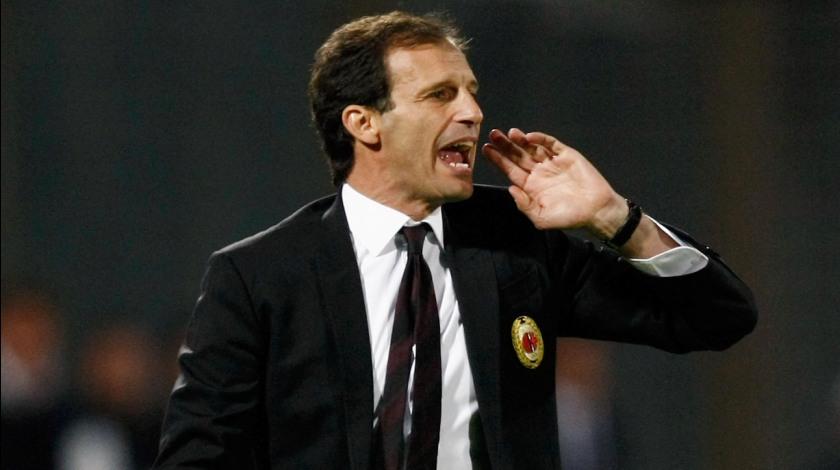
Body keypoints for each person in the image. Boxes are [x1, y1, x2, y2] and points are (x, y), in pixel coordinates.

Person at [153, 11, 756, 469]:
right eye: (440, 94)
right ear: (363, 123)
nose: (472, 111)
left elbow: (718, 317)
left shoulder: (517, 242)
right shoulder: (260, 276)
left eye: (470, 91)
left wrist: (615, 218)